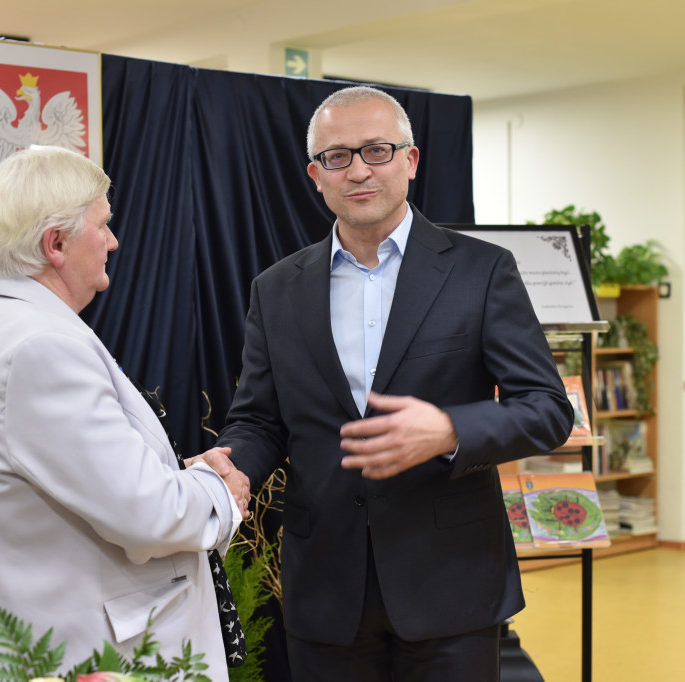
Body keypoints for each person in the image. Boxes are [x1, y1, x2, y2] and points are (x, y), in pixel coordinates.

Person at [213, 86, 574, 681]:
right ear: (316, 175)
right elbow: (259, 420)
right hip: (325, 588)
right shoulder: (276, 289)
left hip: (451, 583)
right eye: (337, 156)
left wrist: (451, 430)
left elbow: (547, 408)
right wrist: (232, 466)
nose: (358, 170)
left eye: (376, 150)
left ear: (410, 160)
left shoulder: (481, 270)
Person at [0, 145, 249, 681]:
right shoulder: (41, 348)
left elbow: (73, 478)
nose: (112, 240)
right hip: (85, 651)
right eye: (102, 224)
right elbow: (147, 516)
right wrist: (218, 491)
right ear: (56, 244)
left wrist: (174, 477)